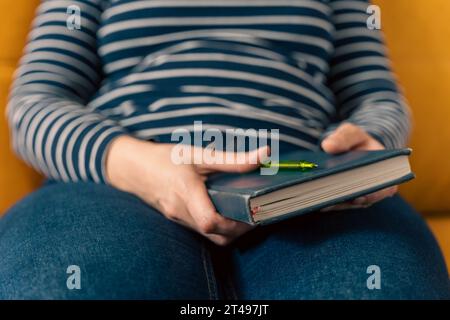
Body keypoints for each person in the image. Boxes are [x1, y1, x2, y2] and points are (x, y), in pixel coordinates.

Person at [0, 0, 448, 299]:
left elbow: (376, 97)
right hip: (119, 177)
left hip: (301, 181)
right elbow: (35, 102)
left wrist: (368, 148)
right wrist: (139, 165)